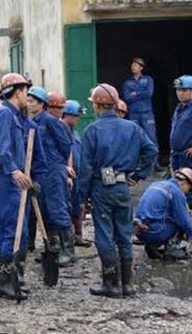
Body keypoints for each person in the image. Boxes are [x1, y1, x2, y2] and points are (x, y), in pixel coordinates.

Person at [79, 83, 158, 298]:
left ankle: (111, 284)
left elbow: (85, 168)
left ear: (97, 105)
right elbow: (152, 151)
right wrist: (138, 175)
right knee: (124, 233)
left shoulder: (92, 130)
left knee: (104, 234)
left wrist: (81, 196)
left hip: (101, 188)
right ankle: (128, 285)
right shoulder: (132, 128)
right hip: (123, 187)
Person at [0, 73, 39, 301]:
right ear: (18, 91)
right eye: (26, 91)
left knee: (18, 230)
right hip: (5, 179)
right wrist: (14, 170)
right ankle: (3, 282)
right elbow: (1, 148)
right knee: (8, 230)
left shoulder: (11, 115)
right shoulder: (5, 114)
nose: (28, 96)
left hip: (9, 179)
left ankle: (14, 277)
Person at [27, 86, 74, 267]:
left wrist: (59, 165)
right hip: (41, 172)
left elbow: (65, 145)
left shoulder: (50, 121)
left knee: (57, 209)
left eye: (32, 101)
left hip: (54, 170)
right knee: (44, 210)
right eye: (28, 100)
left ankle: (68, 251)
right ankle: (53, 250)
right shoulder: (32, 122)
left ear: (41, 103)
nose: (29, 104)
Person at [134, 168, 192, 260]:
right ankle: (172, 249)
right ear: (185, 183)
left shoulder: (157, 184)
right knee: (183, 219)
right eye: (189, 189)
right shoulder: (176, 191)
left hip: (139, 231)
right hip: (154, 232)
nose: (187, 192)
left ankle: (153, 246)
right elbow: (184, 221)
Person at [62, 100, 91, 247]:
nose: (78, 119)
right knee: (65, 208)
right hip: (65, 175)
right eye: (76, 116)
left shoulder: (75, 133)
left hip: (77, 175)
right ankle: (65, 241)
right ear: (66, 115)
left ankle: (78, 236)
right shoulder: (60, 131)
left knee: (78, 206)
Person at [121, 57, 158, 145]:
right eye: (132, 65)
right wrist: (141, 94)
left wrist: (135, 94)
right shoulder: (127, 82)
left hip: (147, 113)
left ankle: (153, 158)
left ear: (141, 68)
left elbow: (149, 93)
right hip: (133, 113)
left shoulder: (148, 80)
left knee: (151, 136)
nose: (133, 67)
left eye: (135, 65)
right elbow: (127, 97)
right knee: (135, 136)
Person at [170, 75, 192, 172]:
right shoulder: (179, 108)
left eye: (184, 90)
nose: (180, 93)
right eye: (178, 90)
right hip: (177, 155)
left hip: (188, 156)